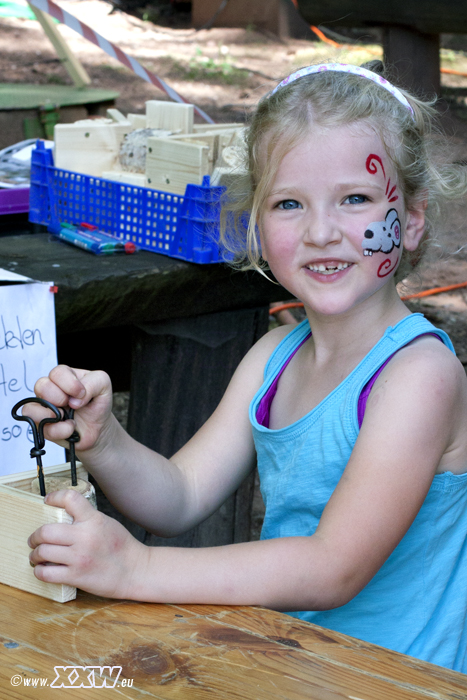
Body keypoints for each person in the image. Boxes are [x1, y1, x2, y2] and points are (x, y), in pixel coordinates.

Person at [27, 62, 467, 672]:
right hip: (292, 664)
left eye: (357, 199)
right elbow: (179, 497)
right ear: (255, 224)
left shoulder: (419, 375)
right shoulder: (272, 357)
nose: (320, 231)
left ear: (411, 219)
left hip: (397, 680)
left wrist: (138, 568)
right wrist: (105, 440)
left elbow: (331, 568)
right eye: (289, 203)